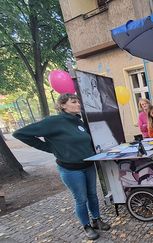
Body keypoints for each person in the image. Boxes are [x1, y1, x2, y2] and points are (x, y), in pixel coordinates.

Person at [12, 93, 110, 240]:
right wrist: (50, 148)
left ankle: (96, 220)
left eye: (78, 101)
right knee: (81, 199)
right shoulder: (53, 121)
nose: (78, 104)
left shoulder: (79, 121)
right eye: (73, 102)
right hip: (71, 169)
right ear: (63, 105)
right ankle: (86, 226)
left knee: (93, 195)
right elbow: (20, 133)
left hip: (88, 165)